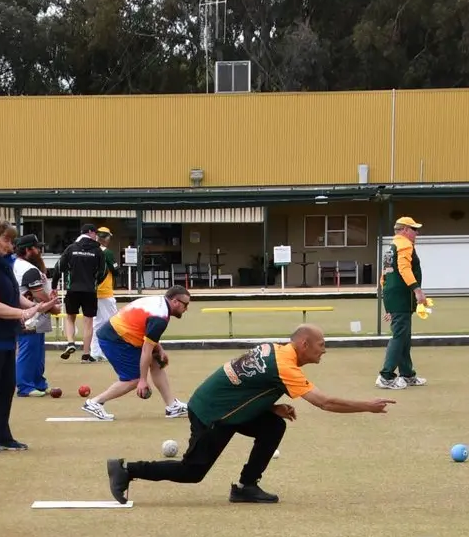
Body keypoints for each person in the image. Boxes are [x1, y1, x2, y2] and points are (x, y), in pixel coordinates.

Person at [106, 325, 396, 505]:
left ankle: (246, 487)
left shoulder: (274, 350)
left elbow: (246, 383)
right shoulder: (287, 367)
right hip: (213, 414)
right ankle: (127, 469)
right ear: (304, 344)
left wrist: (269, 407)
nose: (325, 350)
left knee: (272, 426)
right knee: (192, 472)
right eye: (321, 344)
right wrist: (367, 406)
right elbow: (325, 403)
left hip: (220, 405)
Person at [0, 219, 58, 453]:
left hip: (5, 336)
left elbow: (13, 296)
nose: (10, 245)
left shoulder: (2, 263)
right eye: (5, 239)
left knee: (6, 387)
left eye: (12, 240)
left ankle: (1, 436)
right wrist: (25, 312)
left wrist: (39, 306)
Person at [81, 286, 191, 421]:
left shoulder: (160, 304)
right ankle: (95, 403)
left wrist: (160, 349)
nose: (186, 309)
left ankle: (172, 406)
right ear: (175, 301)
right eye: (185, 305)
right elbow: (146, 350)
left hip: (122, 334)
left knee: (156, 360)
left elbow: (146, 331)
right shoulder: (160, 318)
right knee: (133, 380)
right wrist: (143, 380)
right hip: (115, 339)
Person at [377, 216, 427, 389]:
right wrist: (417, 290)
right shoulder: (405, 245)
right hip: (401, 295)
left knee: (404, 335)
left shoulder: (391, 247)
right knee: (400, 336)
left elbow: (384, 276)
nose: (417, 232)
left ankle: (406, 374)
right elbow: (404, 269)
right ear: (405, 230)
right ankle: (386, 376)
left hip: (393, 295)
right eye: (414, 229)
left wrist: (388, 305)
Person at [55, 223, 105, 362]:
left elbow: (59, 267)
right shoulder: (98, 251)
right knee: (88, 322)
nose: (97, 236)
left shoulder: (71, 248)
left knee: (70, 317)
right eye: (95, 233)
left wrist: (54, 285)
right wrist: (95, 283)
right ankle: (86, 354)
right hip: (90, 290)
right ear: (90, 232)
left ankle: (71, 342)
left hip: (73, 289)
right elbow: (103, 271)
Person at [12, 234, 54, 397]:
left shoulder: (21, 265)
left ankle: (38, 382)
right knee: (29, 349)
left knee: (37, 350)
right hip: (31, 314)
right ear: (28, 250)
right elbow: (38, 293)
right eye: (37, 248)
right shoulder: (27, 268)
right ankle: (25, 386)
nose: (39, 251)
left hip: (37, 313)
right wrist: (53, 305)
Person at [88, 227, 119, 362]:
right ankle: (107, 352)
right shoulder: (107, 253)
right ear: (105, 238)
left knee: (97, 323)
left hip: (92, 292)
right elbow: (116, 270)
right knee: (111, 323)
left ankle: (95, 352)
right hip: (105, 292)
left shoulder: (89, 251)